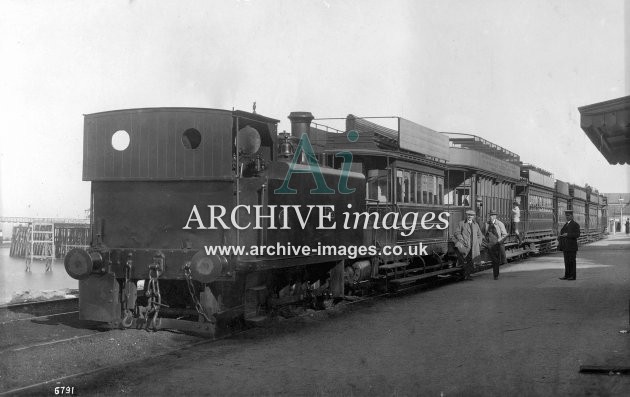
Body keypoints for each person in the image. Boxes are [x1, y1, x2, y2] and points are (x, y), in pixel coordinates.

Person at [453, 209, 484, 281]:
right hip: (465, 245)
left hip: (473, 246)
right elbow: (457, 232)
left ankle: (468, 275)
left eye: (471, 215)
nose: (470, 216)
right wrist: (461, 239)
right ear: (466, 216)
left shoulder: (475, 224)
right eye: (469, 215)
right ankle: (464, 275)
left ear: (473, 216)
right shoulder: (462, 223)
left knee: (471, 261)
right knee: (464, 260)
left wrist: (478, 242)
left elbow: (480, 235)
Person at [482, 209, 508, 280]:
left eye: (493, 215)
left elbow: (505, 235)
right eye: (490, 215)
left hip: (497, 244)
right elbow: (483, 234)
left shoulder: (500, 224)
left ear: (495, 216)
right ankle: (496, 274)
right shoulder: (486, 224)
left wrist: (498, 242)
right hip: (489, 244)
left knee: (496, 260)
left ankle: (495, 275)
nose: (491, 217)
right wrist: (485, 242)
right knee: (494, 260)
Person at [558, 210, 580, 280]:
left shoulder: (575, 224)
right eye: (566, 216)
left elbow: (577, 234)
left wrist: (568, 234)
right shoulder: (566, 224)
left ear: (572, 216)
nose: (567, 217)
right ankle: (567, 275)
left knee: (572, 262)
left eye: (568, 215)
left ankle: (572, 276)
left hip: (572, 247)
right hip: (565, 246)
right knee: (566, 262)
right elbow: (562, 233)